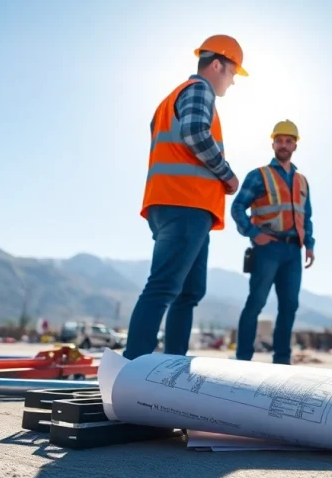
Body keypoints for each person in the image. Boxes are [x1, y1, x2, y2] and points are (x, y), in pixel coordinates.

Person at [123, 34, 247, 360]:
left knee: (189, 292)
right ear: (217, 64)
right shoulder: (198, 90)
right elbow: (195, 132)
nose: (233, 82)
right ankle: (131, 371)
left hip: (179, 206)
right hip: (185, 204)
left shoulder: (171, 98)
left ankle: (172, 367)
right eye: (233, 73)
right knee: (164, 287)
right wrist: (227, 173)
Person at [232, 120, 314, 365]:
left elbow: (306, 215)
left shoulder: (302, 181)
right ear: (273, 143)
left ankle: (281, 361)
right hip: (267, 248)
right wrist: (252, 232)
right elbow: (237, 207)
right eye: (279, 140)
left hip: (293, 251)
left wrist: (309, 244)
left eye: (289, 141)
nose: (283, 145)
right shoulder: (259, 176)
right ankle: (243, 359)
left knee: (289, 306)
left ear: (295, 146)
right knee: (256, 302)